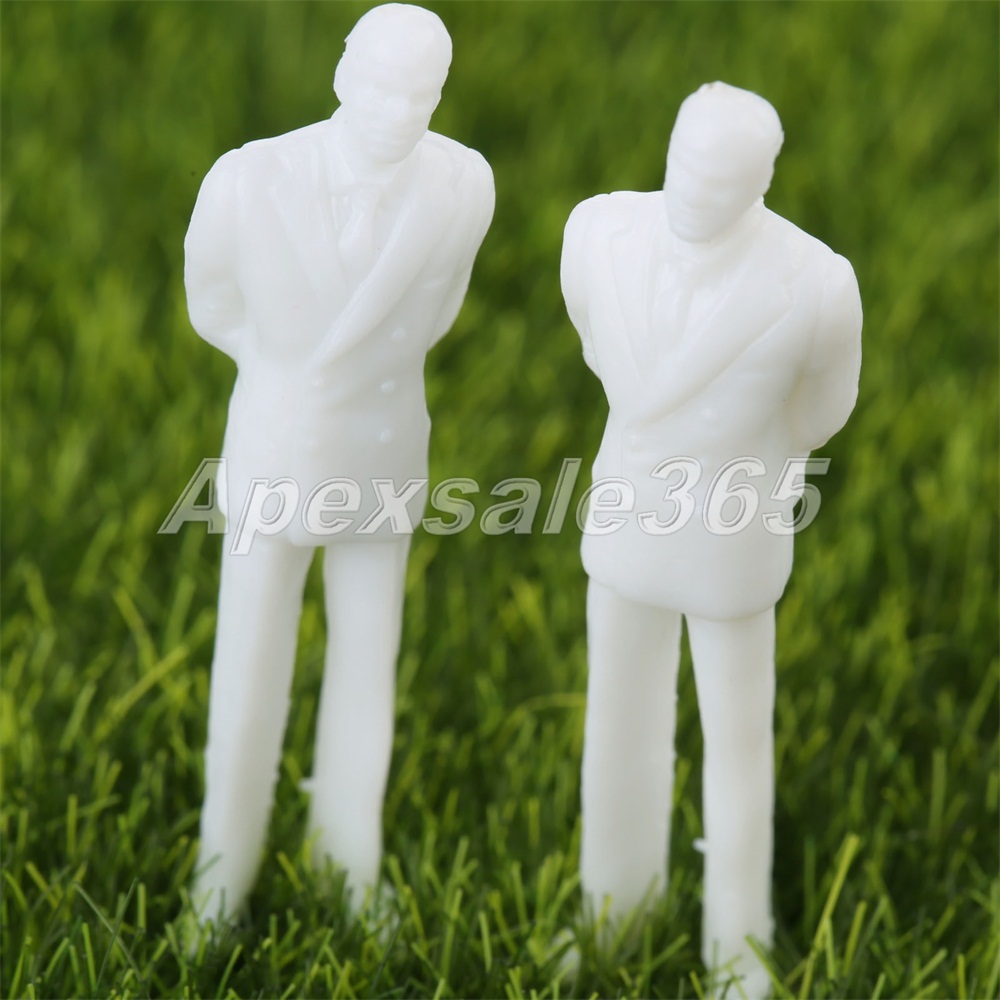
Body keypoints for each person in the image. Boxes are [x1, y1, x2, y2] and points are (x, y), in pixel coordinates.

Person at [183, 2, 494, 925]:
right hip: (280, 446)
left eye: (420, 94)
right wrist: (289, 378)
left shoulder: (464, 184)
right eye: (382, 87)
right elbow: (213, 304)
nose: (399, 112)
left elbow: (438, 312)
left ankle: (349, 861)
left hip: (382, 448)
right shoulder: (249, 178)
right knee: (250, 665)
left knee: (369, 659)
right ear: (343, 73)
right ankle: (222, 873)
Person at [561, 82, 861, 995]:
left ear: (760, 183)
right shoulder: (600, 230)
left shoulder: (815, 282)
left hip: (731, 533)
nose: (693, 190)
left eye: (720, 179)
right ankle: (610, 910)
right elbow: (593, 336)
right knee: (617, 721)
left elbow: (822, 409)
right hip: (627, 516)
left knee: (736, 742)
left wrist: (746, 468)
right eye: (684, 165)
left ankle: (738, 943)